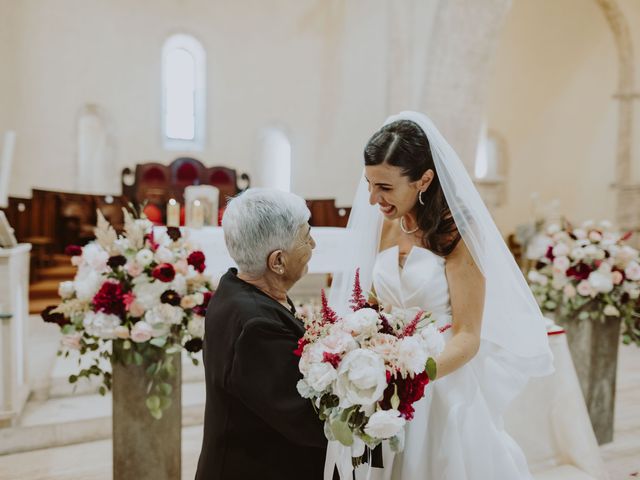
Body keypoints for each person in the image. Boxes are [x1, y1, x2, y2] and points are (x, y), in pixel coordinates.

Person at [327, 112, 554, 479]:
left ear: (424, 179)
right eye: (368, 184)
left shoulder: (458, 232)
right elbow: (371, 304)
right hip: (383, 383)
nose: (372, 199)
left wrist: (414, 377)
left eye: (384, 187)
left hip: (439, 384)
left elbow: (467, 335)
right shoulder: (386, 225)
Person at [195, 188, 327, 480]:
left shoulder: (236, 289)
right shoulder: (258, 326)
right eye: (306, 237)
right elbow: (307, 419)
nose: (313, 243)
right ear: (277, 261)